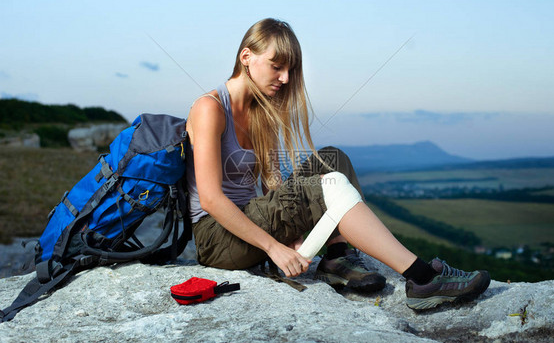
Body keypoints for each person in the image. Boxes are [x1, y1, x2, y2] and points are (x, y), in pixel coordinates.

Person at [184, 18, 490, 310]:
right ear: (246, 57)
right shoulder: (210, 108)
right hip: (217, 239)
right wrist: (273, 248)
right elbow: (211, 200)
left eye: (290, 70)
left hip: (249, 221)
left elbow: (271, 185)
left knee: (333, 160)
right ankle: (423, 279)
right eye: (277, 67)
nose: (286, 79)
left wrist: (294, 238)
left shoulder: (261, 112)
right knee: (323, 189)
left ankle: (337, 257)